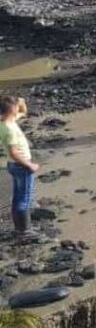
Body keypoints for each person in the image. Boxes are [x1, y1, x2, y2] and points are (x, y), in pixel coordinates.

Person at [1, 95, 39, 239]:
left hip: (13, 165)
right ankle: (25, 231)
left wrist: (21, 102)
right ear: (12, 110)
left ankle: (19, 228)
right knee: (24, 198)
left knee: (18, 197)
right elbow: (14, 152)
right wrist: (30, 165)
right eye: (17, 107)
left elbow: (24, 112)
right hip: (21, 165)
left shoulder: (5, 122)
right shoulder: (10, 129)